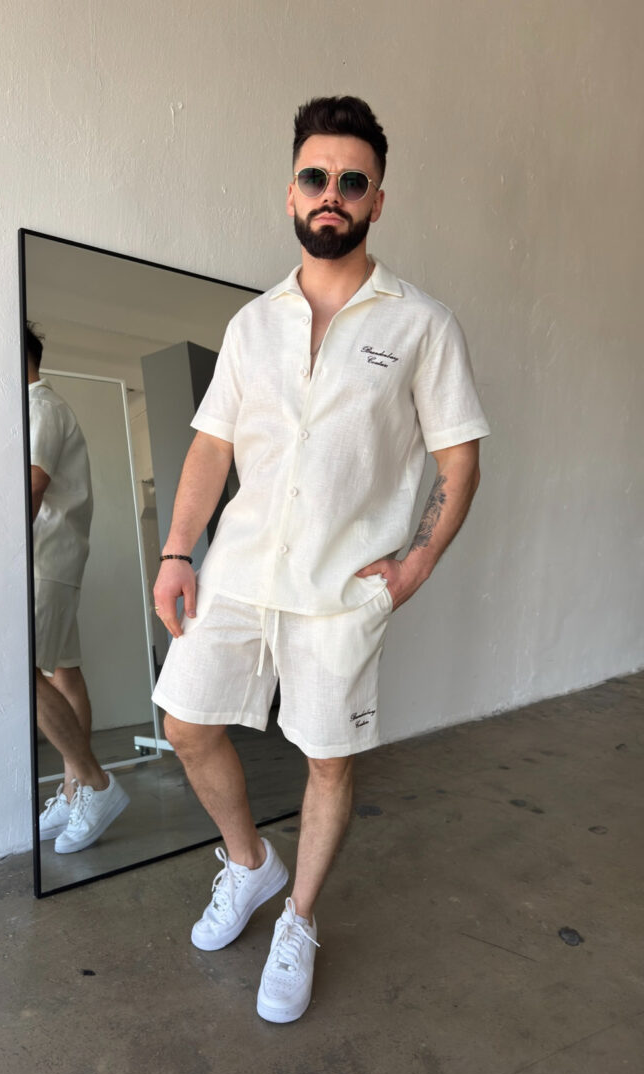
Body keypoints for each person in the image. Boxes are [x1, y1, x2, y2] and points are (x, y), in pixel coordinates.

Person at [151, 96, 491, 1023]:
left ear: (378, 199)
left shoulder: (422, 324)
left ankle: (298, 918)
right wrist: (179, 549)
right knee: (185, 721)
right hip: (238, 569)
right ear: (291, 192)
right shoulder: (252, 324)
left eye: (351, 180)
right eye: (315, 176)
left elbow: (459, 459)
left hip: (343, 589)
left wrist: (415, 566)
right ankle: (251, 865)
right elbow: (212, 447)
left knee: (328, 758)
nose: (330, 192)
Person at [27, 324, 129, 853]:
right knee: (63, 671)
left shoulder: (38, 406)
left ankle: (96, 783)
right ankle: (74, 794)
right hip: (54, 558)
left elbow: (33, 484)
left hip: (40, 559)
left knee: (23, 677)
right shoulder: (46, 407)